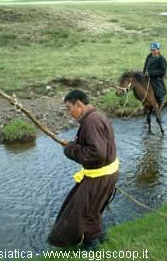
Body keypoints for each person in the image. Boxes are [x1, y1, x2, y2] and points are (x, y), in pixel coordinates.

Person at [48, 90, 119, 251]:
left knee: (82, 211)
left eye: (68, 108)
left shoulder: (92, 121)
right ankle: (102, 237)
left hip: (100, 176)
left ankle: (92, 246)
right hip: (106, 173)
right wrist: (74, 145)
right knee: (91, 208)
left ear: (79, 104)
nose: (68, 113)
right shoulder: (96, 117)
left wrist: (70, 150)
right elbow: (96, 147)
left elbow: (97, 153)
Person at [143, 42, 167, 109]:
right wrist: (144, 72)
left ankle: (160, 104)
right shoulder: (149, 56)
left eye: (154, 50)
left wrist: (150, 73)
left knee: (159, 94)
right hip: (147, 77)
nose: (152, 51)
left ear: (158, 50)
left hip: (157, 78)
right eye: (151, 49)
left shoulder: (162, 59)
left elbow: (162, 71)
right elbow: (145, 66)